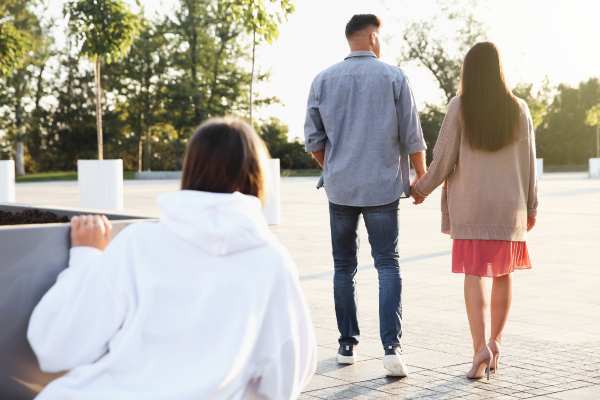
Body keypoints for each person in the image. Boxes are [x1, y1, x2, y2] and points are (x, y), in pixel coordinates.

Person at [27, 118, 317, 399]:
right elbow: (287, 375)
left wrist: (86, 257)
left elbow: (56, 346)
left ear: (190, 169)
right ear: (258, 176)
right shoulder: (271, 261)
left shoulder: (138, 243)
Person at [304, 14, 427, 377]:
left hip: (340, 188)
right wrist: (421, 178)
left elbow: (313, 139)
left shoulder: (323, 79)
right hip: (382, 188)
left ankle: (346, 345)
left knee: (344, 267)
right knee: (387, 264)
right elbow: (412, 134)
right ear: (372, 37)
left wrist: (334, 165)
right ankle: (392, 350)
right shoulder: (393, 76)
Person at [412, 42, 538, 380]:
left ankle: (479, 347)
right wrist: (532, 205)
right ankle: (496, 343)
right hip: (509, 208)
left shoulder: (459, 107)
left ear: (468, 71)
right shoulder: (519, 109)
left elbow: (443, 160)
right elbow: (529, 165)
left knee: (474, 276)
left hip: (472, 207)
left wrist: (420, 189)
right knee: (502, 274)